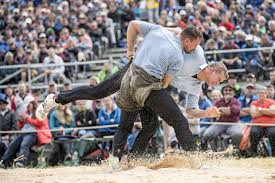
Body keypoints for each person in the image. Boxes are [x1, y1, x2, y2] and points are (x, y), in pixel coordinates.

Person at [37, 22, 226, 158]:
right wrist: (130, 49)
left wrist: (206, 113)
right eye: (219, 79)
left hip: (152, 85)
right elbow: (149, 27)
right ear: (213, 69)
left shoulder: (196, 86)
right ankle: (56, 98)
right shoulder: (195, 51)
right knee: (97, 92)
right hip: (137, 69)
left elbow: (192, 111)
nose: (217, 84)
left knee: (150, 126)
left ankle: (131, 160)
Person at [250, 87, 275, 156]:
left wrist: (260, 109)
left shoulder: (272, 101)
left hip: (271, 125)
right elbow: (253, 114)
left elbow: (273, 112)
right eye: (260, 93)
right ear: (257, 94)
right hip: (257, 125)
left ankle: (273, 154)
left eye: (264, 93)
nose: (262, 94)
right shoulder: (254, 102)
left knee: (273, 133)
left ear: (266, 94)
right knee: (253, 133)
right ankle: (253, 153)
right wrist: (267, 111)